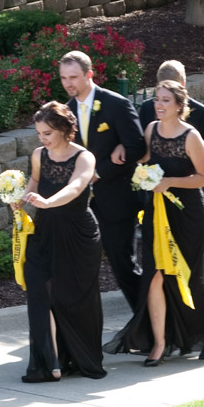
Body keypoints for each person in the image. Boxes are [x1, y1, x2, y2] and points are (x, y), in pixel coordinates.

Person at [105, 80, 204, 365]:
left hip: (188, 215)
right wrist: (126, 151)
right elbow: (143, 158)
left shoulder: (191, 136)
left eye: (165, 100)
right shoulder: (151, 130)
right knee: (155, 277)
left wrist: (168, 181)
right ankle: (159, 343)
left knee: (189, 274)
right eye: (157, 99)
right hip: (156, 214)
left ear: (180, 105)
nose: (159, 105)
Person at [17, 101, 106, 382]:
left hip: (78, 235)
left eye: (47, 133)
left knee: (73, 298)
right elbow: (34, 180)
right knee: (38, 288)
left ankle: (80, 357)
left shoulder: (84, 157)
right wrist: (20, 199)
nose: (42, 139)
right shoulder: (38, 155)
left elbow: (77, 186)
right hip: (45, 232)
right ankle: (50, 361)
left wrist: (47, 202)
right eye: (40, 133)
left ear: (64, 130)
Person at [58, 50, 145, 308]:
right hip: (81, 204)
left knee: (122, 261)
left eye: (73, 77)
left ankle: (146, 318)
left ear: (89, 75)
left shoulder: (116, 104)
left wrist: (99, 171)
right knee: (80, 263)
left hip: (116, 199)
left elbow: (137, 147)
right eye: (63, 78)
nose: (68, 83)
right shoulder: (67, 111)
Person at [140, 60, 204, 160]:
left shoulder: (201, 112)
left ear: (182, 86)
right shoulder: (147, 108)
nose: (160, 105)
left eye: (167, 99)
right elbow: (139, 144)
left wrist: (202, 148)